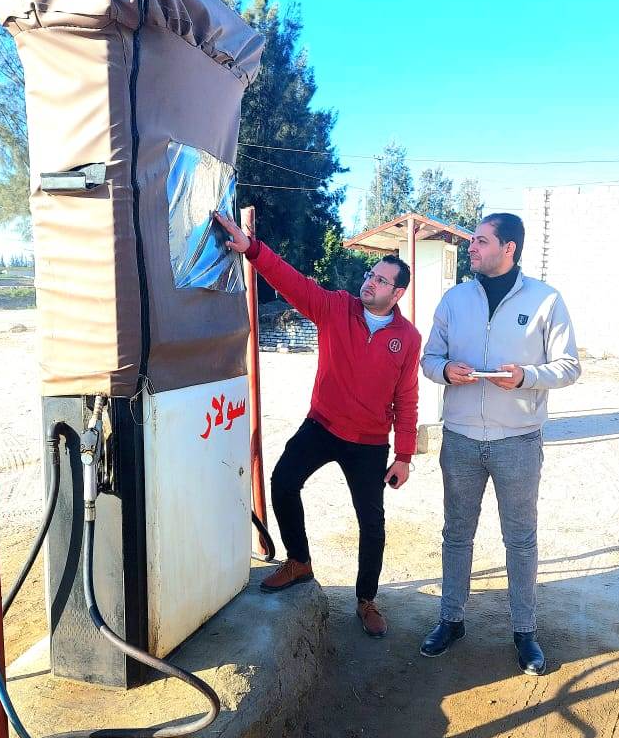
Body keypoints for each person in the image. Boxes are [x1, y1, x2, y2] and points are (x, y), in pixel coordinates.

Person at [213, 211, 420, 638]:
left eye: (381, 281)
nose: (370, 282)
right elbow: (293, 282)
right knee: (283, 481)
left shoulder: (408, 338)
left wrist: (403, 455)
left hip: (369, 442)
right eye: (370, 274)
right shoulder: (336, 308)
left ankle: (366, 600)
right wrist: (252, 249)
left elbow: (407, 398)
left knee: (372, 524)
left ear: (397, 293)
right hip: (322, 425)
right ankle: (299, 561)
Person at [419, 213, 580, 674]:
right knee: (456, 534)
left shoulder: (546, 300)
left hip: (518, 442)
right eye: (472, 241)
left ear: (509, 248)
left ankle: (525, 633)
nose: (471, 247)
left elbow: (569, 366)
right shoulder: (455, 299)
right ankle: (451, 620)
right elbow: (430, 358)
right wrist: (445, 371)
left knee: (521, 539)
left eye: (481, 241)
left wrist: (526, 376)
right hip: (461, 439)